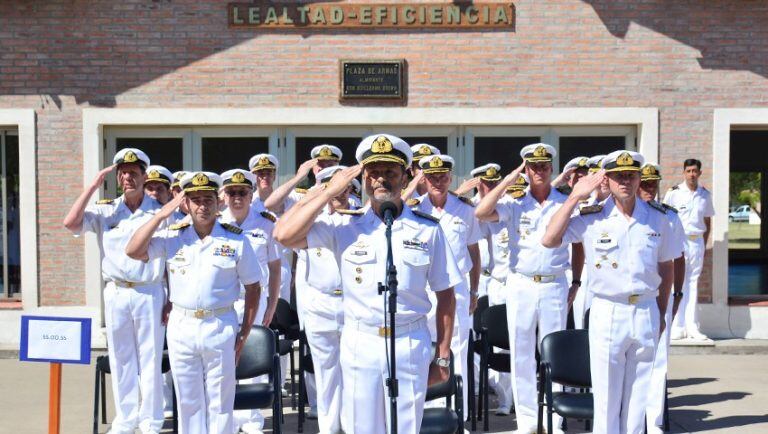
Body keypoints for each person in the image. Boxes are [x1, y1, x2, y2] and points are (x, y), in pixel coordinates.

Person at [273, 133, 461, 434]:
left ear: (404, 177)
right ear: (363, 176)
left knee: (406, 427)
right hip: (361, 341)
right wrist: (326, 191)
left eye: (390, 172)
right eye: (373, 173)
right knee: (362, 427)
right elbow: (282, 234)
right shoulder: (345, 225)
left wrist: (442, 355)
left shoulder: (428, 230)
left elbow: (446, 296)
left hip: (409, 341)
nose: (381, 180)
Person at [541, 150, 676, 434]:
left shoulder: (659, 219)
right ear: (608, 180)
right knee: (606, 398)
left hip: (646, 309)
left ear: (640, 178)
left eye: (631, 175)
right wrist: (575, 196)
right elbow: (550, 239)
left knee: (638, 399)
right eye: (618, 176)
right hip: (608, 309)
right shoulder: (592, 218)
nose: (625, 181)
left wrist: (662, 312)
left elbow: (666, 268)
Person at [125, 171, 263, 434]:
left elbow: (253, 287)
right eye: (195, 200)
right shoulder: (172, 237)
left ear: (218, 202)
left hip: (220, 323)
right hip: (182, 325)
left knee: (220, 400)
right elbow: (133, 250)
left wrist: (245, 332)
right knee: (188, 400)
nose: (203, 206)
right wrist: (161, 215)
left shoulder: (235, 239)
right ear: (185, 203)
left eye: (208, 199)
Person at [475, 143, 578, 434]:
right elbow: (482, 212)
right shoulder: (515, 202)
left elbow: (578, 246)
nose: (539, 171)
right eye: (533, 166)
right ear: (526, 169)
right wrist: (509, 180)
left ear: (551, 168)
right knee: (520, 354)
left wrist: (577, 281)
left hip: (554, 282)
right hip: (521, 282)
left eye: (544, 166)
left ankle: (555, 420)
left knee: (553, 353)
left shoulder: (565, 201)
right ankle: (528, 421)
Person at [63, 148, 165, 434]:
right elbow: (70, 223)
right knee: (121, 359)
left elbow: (171, 256)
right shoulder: (106, 209)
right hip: (117, 291)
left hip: (149, 291)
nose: (127, 177)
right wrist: (92, 187)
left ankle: (151, 421)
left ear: (145, 176)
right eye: (122, 172)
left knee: (150, 358)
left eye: (133, 172)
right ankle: (126, 419)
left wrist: (170, 298)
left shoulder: (159, 212)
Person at [409, 153, 481, 418]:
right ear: (423, 179)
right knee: (423, 349)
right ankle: (425, 412)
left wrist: (475, 290)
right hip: (423, 288)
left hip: (457, 289)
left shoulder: (466, 208)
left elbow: (474, 251)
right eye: (432, 177)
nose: (438, 182)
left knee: (458, 349)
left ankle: (458, 416)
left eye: (443, 177)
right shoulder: (414, 207)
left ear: (451, 177)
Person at [287, 164, 357, 433]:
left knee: (353, 371)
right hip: (321, 303)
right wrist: (313, 198)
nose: (338, 192)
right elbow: (284, 233)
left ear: (350, 188)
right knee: (326, 372)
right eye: (330, 186)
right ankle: (329, 428)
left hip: (353, 304)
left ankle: (352, 426)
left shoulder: (359, 218)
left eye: (342, 186)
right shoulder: (312, 222)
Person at [217, 168, 281, 434]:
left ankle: (252, 419)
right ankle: (228, 418)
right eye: (231, 192)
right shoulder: (216, 222)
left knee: (253, 358)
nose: (237, 198)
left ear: (251, 193)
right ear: (224, 195)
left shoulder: (266, 221)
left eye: (242, 192)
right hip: (226, 302)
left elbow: (276, 266)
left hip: (256, 300)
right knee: (224, 359)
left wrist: (274, 302)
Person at [638, 163, 686, 434]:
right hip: (634, 297)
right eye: (644, 184)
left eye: (652, 185)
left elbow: (679, 259)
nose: (649, 190)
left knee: (657, 360)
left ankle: (653, 421)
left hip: (661, 295)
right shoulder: (626, 215)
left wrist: (677, 294)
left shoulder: (668, 217)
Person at [469, 162, 514, 415]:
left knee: (514, 343)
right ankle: (496, 395)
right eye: (486, 184)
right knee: (491, 340)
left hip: (513, 281)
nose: (491, 187)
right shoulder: (478, 209)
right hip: (491, 281)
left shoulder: (510, 204)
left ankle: (513, 398)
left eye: (494, 183)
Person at [663, 158, 714, 341]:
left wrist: (702, 243)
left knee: (693, 283)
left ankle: (692, 326)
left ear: (700, 173)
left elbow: (707, 222)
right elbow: (666, 219)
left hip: (696, 242)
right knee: (677, 283)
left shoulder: (705, 195)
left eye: (695, 171)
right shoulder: (674, 193)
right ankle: (676, 325)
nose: (692, 174)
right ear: (684, 173)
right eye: (689, 171)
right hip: (679, 242)